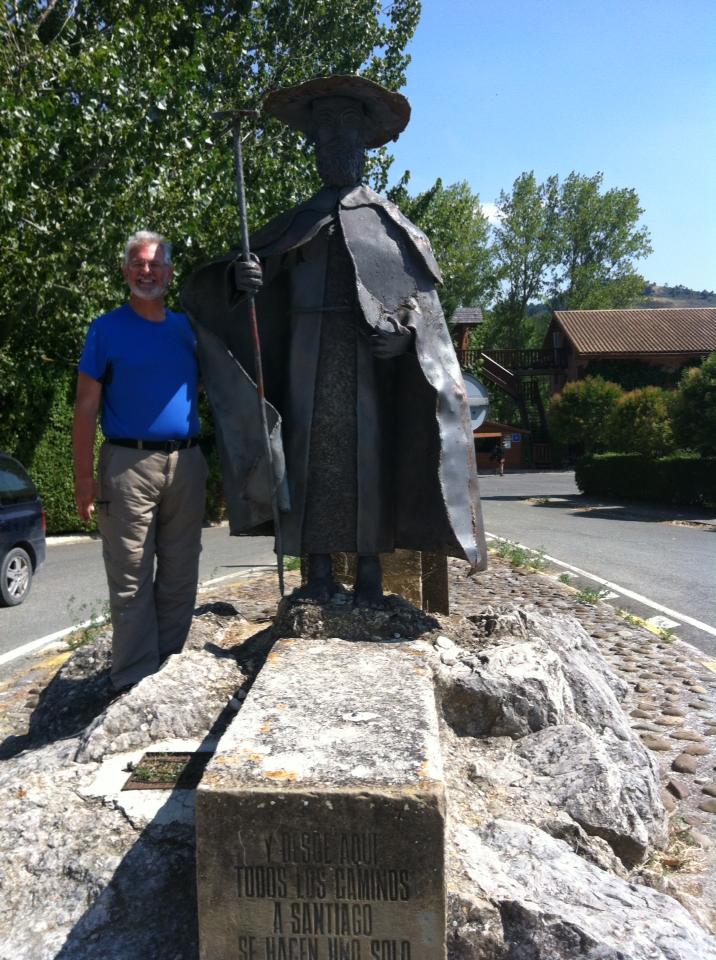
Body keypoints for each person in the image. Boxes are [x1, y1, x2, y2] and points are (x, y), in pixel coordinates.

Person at [182, 76, 487, 606]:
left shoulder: (391, 227)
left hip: (367, 367)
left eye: (345, 142)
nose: (335, 152)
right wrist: (242, 279)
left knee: (368, 462)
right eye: (325, 142)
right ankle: (316, 574)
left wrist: (408, 340)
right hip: (305, 360)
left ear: (365, 151)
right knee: (309, 464)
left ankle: (370, 573)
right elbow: (241, 285)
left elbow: (425, 314)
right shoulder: (298, 221)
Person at [73, 230, 207, 693]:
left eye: (154, 264)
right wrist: (84, 480)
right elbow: (86, 406)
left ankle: (166, 672)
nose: (146, 271)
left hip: (187, 465)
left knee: (180, 573)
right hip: (127, 467)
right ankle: (132, 679)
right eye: (137, 263)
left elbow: (219, 378)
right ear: (126, 271)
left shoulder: (188, 329)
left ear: (169, 273)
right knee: (130, 577)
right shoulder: (105, 329)